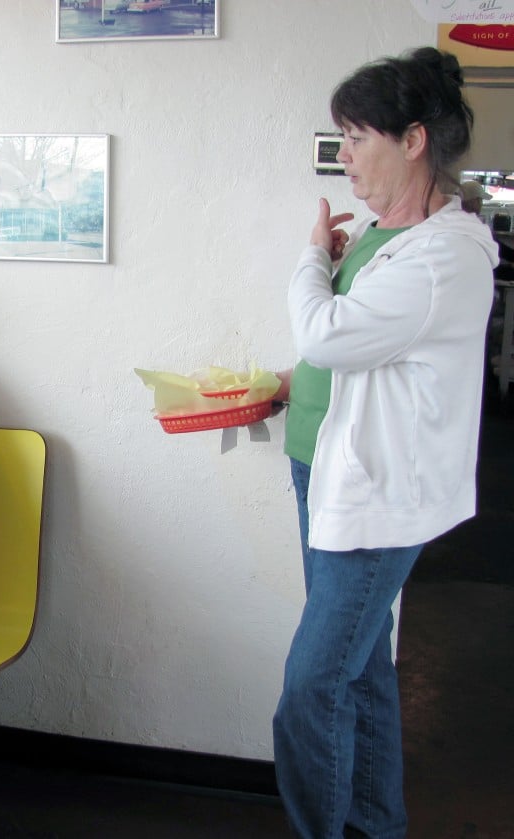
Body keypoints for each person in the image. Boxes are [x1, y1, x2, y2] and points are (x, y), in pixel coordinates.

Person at [272, 47, 499, 839]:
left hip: (374, 497)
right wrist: (283, 384)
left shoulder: (446, 255)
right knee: (362, 674)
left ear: (412, 140)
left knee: (312, 688)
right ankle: (376, 828)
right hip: (323, 472)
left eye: (356, 139)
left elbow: (328, 334)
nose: (344, 160)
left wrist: (308, 255)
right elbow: (363, 356)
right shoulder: (379, 234)